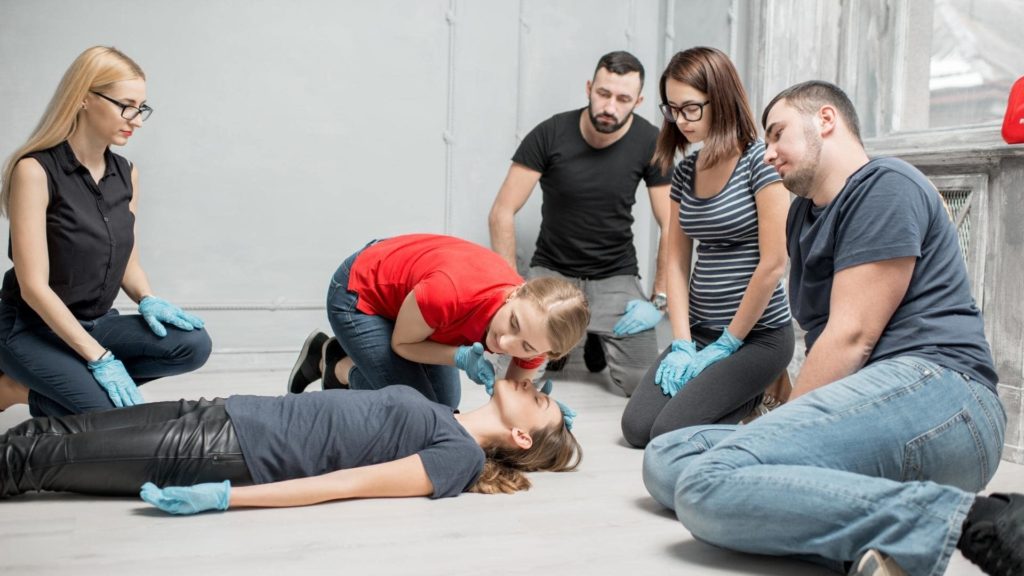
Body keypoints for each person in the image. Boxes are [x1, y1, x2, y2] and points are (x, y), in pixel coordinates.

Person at [642, 80, 1022, 576]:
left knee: (702, 486)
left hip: (944, 399)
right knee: (667, 457)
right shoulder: (802, 216)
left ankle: (980, 520)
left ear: (825, 120)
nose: (768, 152)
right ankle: (881, 547)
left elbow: (850, 338)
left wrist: (779, 432)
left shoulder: (886, 184)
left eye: (777, 134)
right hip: (870, 411)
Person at [0, 377, 581, 513]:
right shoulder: (443, 411)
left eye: (540, 399)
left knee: (32, 459)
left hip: (227, 451)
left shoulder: (460, 457)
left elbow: (345, 485)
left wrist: (225, 497)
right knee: (50, 433)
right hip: (227, 411)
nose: (534, 385)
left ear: (521, 435)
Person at [0, 46, 210, 417]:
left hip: (96, 323)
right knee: (109, 415)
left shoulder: (126, 173)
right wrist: (100, 358)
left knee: (194, 344)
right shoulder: (34, 171)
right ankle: (12, 388)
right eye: (126, 106)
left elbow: (128, 261)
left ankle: (65, 385)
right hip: (30, 329)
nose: (137, 120)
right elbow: (33, 288)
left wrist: (147, 298)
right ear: (84, 97)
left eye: (141, 108)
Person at [620, 47, 794, 448]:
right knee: (637, 428)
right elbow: (677, 263)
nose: (681, 120)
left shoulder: (759, 161)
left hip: (758, 337)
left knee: (668, 433)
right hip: (700, 332)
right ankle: (727, 383)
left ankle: (759, 391)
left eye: (691, 108)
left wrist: (728, 343)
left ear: (722, 100)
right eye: (673, 110)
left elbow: (773, 263)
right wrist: (682, 342)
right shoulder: (684, 171)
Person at [488, 50, 672, 396]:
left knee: (643, 385)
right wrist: (511, 289)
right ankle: (576, 335)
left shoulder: (651, 141)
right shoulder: (551, 133)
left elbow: (671, 223)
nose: (610, 107)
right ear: (589, 88)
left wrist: (659, 302)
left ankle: (588, 337)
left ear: (638, 101)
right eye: (603, 93)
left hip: (615, 275)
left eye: (623, 99)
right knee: (512, 381)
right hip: (553, 273)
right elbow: (501, 211)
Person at [287, 234, 590, 410]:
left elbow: (507, 397)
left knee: (445, 407)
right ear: (517, 293)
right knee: (417, 408)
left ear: (548, 353)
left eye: (526, 346)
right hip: (361, 292)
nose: (506, 343)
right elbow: (403, 344)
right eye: (513, 323)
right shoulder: (451, 292)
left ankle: (344, 358)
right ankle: (334, 364)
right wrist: (459, 357)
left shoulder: (540, 332)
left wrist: (537, 413)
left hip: (418, 310)